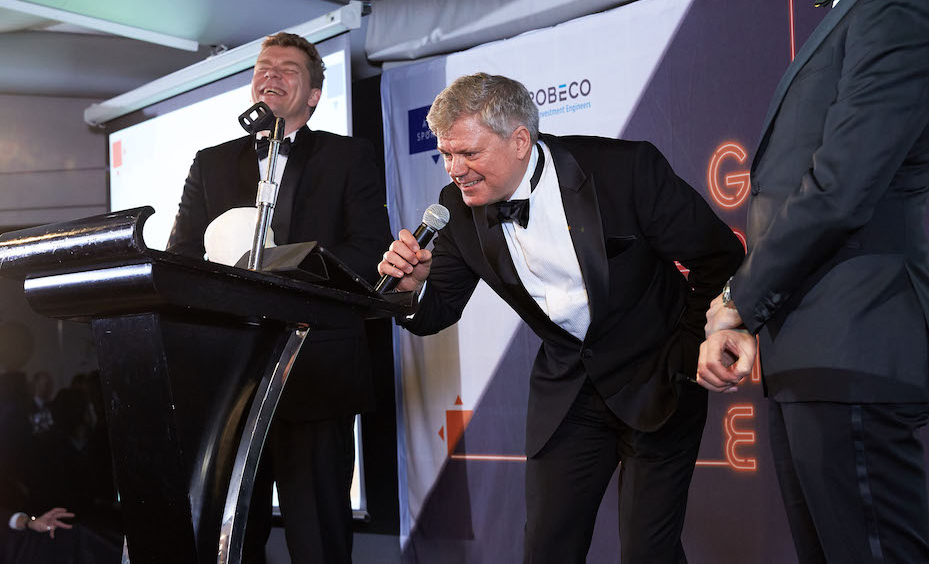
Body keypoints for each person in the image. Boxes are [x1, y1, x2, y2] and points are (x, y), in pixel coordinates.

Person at [697, 0, 929, 562]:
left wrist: (738, 299)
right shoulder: (868, 1)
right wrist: (752, 314)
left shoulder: (903, 2)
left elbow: (839, 188)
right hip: (817, 352)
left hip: (856, 345)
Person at [378, 73, 743, 563]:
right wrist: (411, 290)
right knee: (547, 549)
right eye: (445, 154)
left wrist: (687, 349)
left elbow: (719, 258)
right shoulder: (455, 209)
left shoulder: (623, 170)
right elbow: (435, 311)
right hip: (570, 391)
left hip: (658, 376)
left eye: (468, 153)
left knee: (647, 553)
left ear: (519, 141)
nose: (454, 170)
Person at [168, 32, 391, 563]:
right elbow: (182, 257)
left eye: (287, 68)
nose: (270, 73)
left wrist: (286, 270)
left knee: (318, 541)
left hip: (317, 372)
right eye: (263, 67)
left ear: (313, 95)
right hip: (231, 381)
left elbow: (369, 252)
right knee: (228, 542)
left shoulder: (348, 157)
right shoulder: (210, 163)